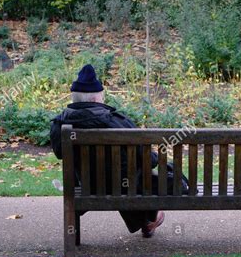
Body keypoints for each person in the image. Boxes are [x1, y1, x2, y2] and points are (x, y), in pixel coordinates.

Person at [50, 64, 164, 238]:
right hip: (124, 187)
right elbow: (145, 155)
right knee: (136, 177)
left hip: (87, 187)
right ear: (96, 100)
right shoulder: (116, 121)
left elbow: (59, 153)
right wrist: (155, 160)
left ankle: (146, 220)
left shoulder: (60, 125)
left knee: (119, 177)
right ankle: (148, 219)